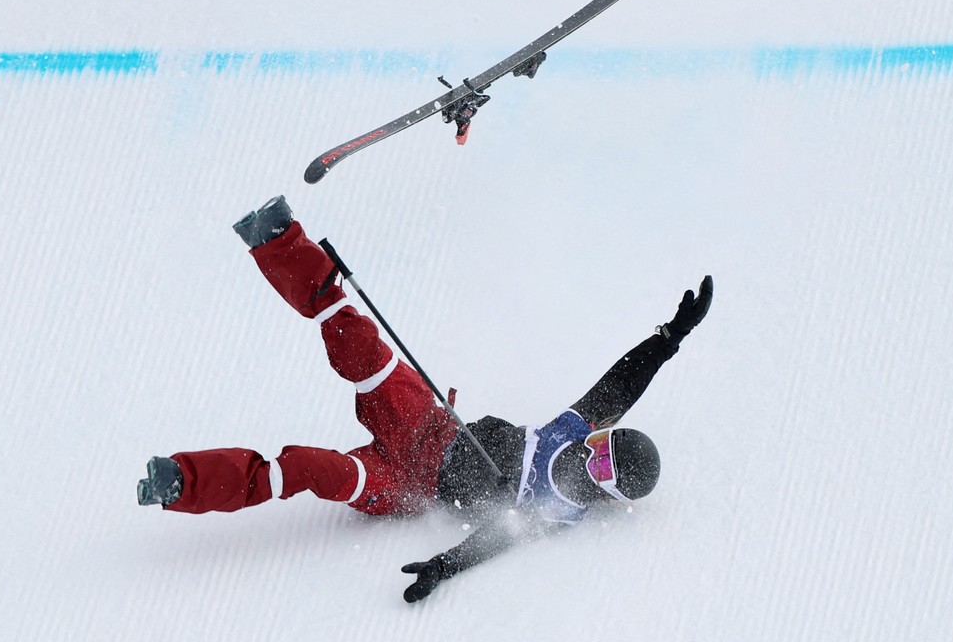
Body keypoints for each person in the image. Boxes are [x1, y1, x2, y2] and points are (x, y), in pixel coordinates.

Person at [136, 195, 714, 603]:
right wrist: (669, 338)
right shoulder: (570, 432)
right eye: (605, 441)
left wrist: (443, 566)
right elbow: (618, 385)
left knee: (309, 469)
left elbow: (494, 539)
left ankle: (181, 483)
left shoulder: (558, 506)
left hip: (406, 481)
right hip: (431, 423)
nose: (591, 453)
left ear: (605, 492)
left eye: (603, 467)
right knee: (357, 343)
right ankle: (280, 241)